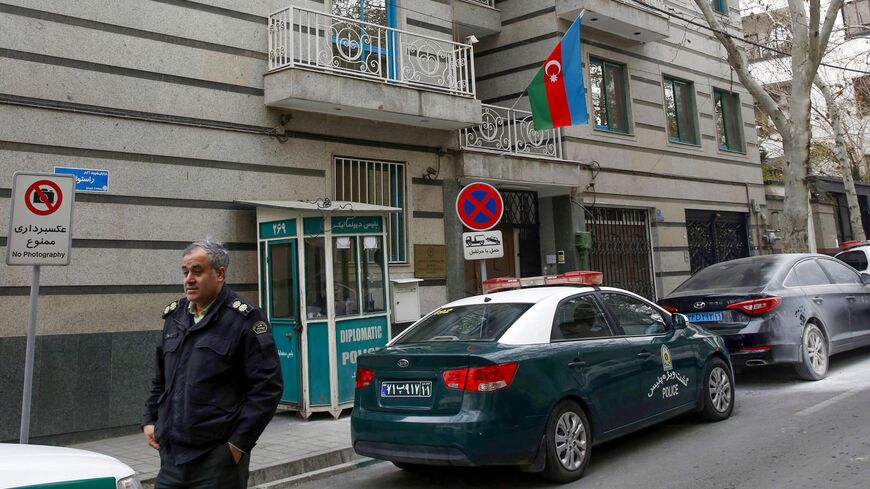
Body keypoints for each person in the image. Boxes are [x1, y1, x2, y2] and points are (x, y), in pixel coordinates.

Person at [142, 239, 283, 488]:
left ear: (219, 273)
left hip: (217, 460)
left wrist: (238, 444)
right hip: (172, 458)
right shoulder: (175, 316)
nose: (189, 279)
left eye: (197, 271)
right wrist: (150, 420)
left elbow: (267, 388)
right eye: (185, 272)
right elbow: (160, 378)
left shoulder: (244, 318)